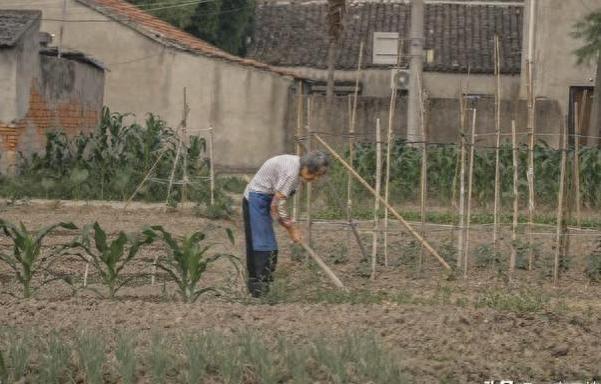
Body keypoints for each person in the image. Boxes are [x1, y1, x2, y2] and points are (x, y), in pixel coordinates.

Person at [242, 150, 330, 297]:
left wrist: (288, 224)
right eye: (312, 173)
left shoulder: (297, 167)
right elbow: (277, 206)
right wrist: (292, 229)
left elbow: (278, 203)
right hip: (256, 198)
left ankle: (259, 291)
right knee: (263, 246)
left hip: (265, 197)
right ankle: (259, 293)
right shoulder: (291, 173)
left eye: (317, 176)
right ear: (305, 165)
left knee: (262, 245)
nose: (313, 178)